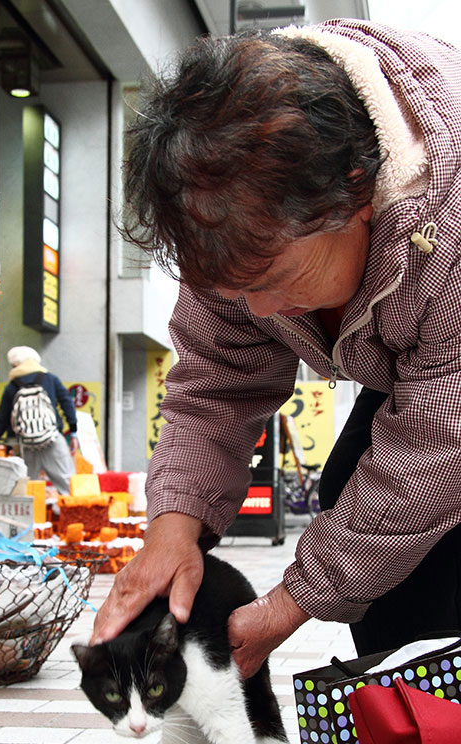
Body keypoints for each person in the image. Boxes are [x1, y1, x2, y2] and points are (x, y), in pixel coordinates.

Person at [91, 19, 461, 673]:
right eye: (238, 289)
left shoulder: (446, 211)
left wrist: (291, 601)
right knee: (351, 481)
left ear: (356, 191)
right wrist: (172, 529)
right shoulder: (225, 209)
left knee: (431, 528)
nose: (259, 310)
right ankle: (419, 729)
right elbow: (216, 381)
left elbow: (436, 449)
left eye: (274, 281)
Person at [0, 346, 79, 494]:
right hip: (53, 441)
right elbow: (67, 403)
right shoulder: (50, 379)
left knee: (23, 489)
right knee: (69, 487)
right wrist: (73, 432)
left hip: (24, 446)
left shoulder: (12, 387)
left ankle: (27, 516)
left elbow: (2, 420)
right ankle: (77, 514)